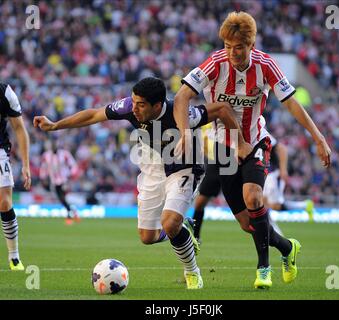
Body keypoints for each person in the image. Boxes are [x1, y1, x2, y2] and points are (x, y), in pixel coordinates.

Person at [34, 77, 249, 290]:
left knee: (169, 222)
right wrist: (55, 125)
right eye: (133, 101)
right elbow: (94, 114)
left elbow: (222, 109)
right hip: (153, 172)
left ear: (158, 105)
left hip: (185, 169)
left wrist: (239, 144)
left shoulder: (182, 114)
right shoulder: (129, 107)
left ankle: (192, 272)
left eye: (141, 104)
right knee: (148, 237)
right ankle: (185, 228)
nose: (134, 109)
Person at [174, 11, 331, 289]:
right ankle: (287, 248)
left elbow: (292, 103)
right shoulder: (214, 63)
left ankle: (263, 268)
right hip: (223, 150)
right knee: (249, 224)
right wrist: (185, 132)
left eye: (239, 47)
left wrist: (318, 137)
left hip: (256, 141)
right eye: (228, 46)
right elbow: (182, 95)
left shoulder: (266, 65)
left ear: (251, 46)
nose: (232, 53)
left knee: (254, 197)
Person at [0, 83, 31, 271]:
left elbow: (19, 128)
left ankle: (14, 257)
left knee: (4, 202)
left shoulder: (5, 93)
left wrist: (26, 163)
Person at [263, 136, 315, 224]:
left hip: (273, 174)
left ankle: (274, 235)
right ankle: (305, 205)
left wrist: (283, 170)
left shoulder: (263, 133)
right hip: (265, 174)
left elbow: (282, 149)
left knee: (265, 204)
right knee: (273, 205)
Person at [39, 139, 81, 225]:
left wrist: (70, 175)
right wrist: (43, 177)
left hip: (64, 180)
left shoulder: (64, 154)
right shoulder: (46, 155)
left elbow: (73, 164)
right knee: (62, 199)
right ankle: (74, 212)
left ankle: (69, 217)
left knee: (63, 197)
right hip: (54, 181)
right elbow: (44, 167)